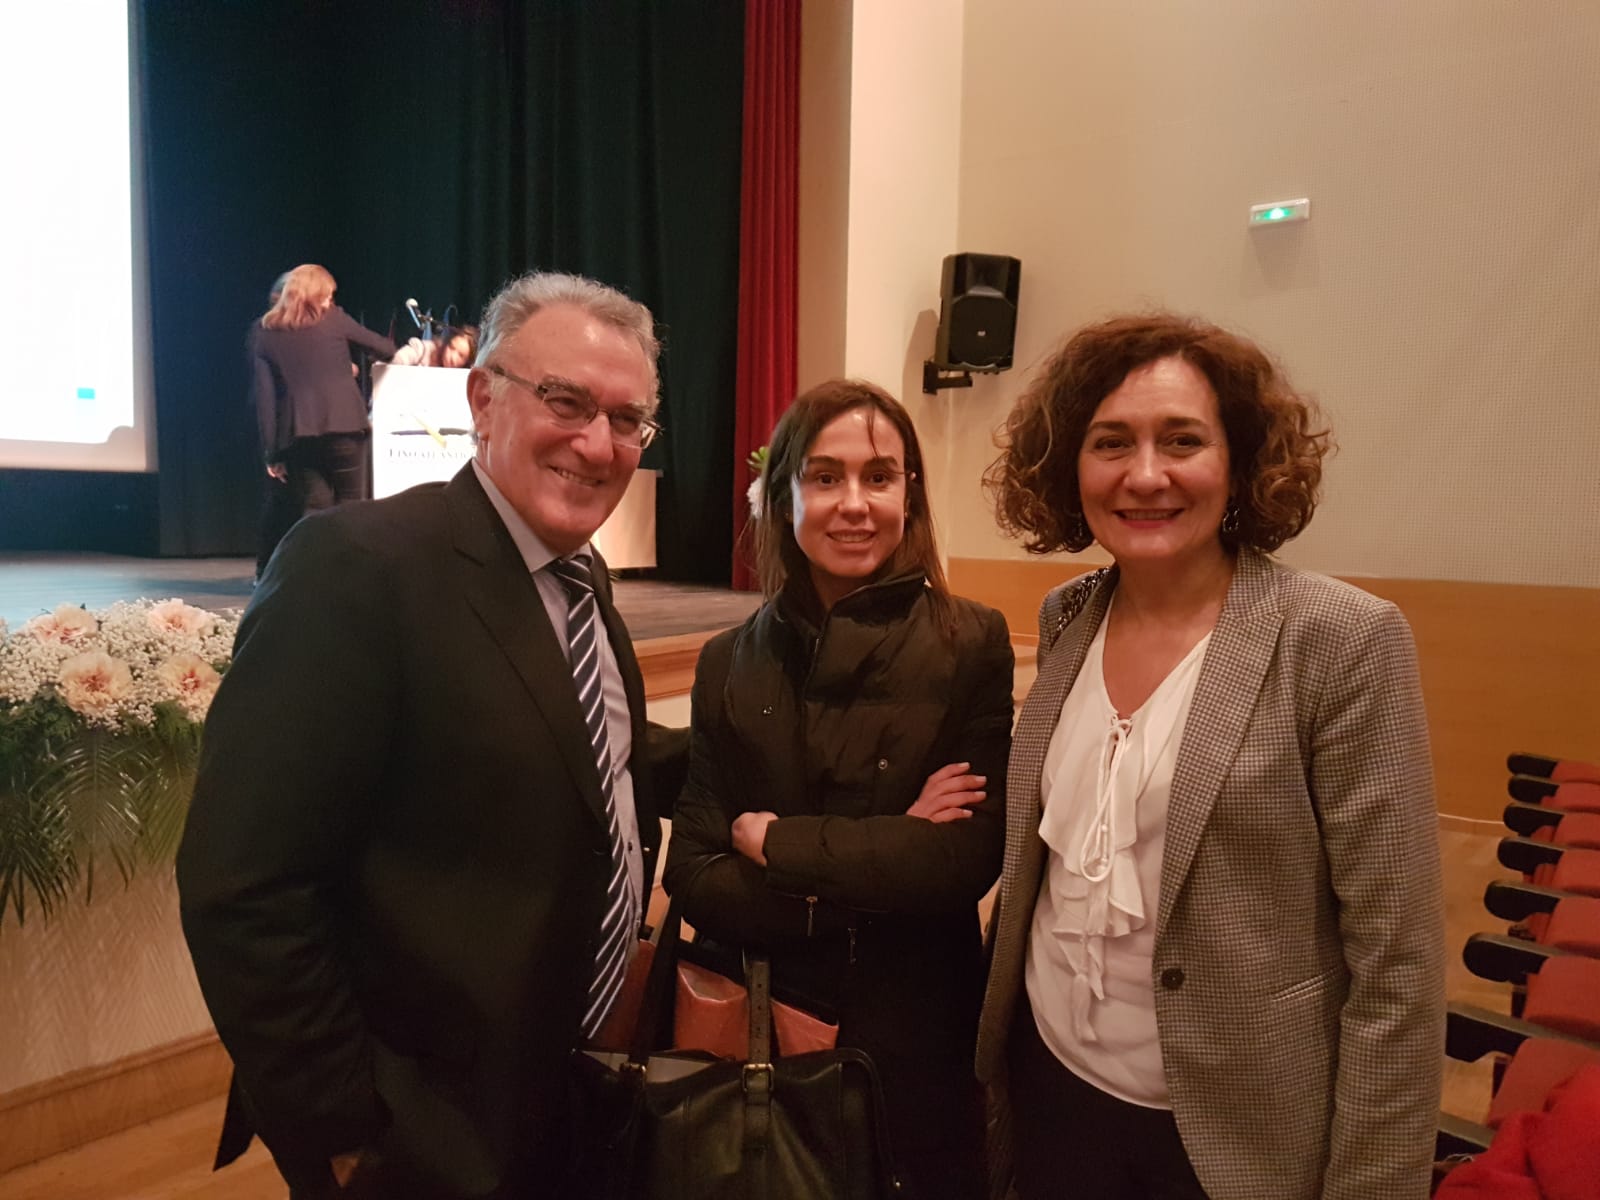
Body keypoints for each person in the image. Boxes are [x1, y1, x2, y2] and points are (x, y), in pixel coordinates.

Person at [179, 271, 687, 1199]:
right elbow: (244, 885)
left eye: (626, 420)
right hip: (417, 1136)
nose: (597, 442)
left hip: (556, 1098)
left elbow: (575, 761)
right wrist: (346, 1137)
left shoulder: (581, 584)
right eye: (566, 401)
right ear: (483, 397)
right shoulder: (355, 571)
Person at [975, 313, 1445, 1200]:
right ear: (1069, 466)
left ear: (1239, 460)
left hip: (1232, 1131)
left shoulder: (1339, 640)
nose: (1144, 474)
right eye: (1110, 442)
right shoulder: (1068, 617)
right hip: (1050, 1089)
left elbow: (1400, 967)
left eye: (1181, 440)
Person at [663, 379, 1015, 1200]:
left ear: (909, 494)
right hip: (762, 1017)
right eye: (825, 477)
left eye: (879, 477)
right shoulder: (728, 660)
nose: (854, 504)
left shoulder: (972, 643)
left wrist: (776, 843)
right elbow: (696, 872)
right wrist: (885, 855)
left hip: (917, 1025)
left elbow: (964, 858)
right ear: (785, 493)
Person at [249, 263, 397, 526]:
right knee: (351, 506)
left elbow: (266, 400)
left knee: (315, 507)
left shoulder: (263, 332)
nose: (330, 300)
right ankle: (348, 567)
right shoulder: (334, 319)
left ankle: (315, 565)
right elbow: (384, 348)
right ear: (315, 294)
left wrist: (272, 453)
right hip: (345, 425)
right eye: (328, 294)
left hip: (298, 435)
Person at [393, 324, 480, 368]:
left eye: (461, 355)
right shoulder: (422, 350)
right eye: (452, 347)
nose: (453, 357)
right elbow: (398, 360)